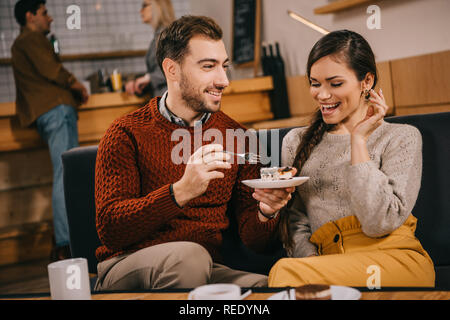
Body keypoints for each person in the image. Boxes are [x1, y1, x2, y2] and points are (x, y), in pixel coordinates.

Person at [94, 15, 294, 291]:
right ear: (171, 69)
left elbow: (255, 242)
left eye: (224, 66)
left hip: (205, 268)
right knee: (190, 258)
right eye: (208, 66)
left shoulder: (240, 138)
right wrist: (180, 192)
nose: (223, 80)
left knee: (266, 289)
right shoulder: (125, 132)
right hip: (127, 265)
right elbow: (111, 230)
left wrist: (266, 212)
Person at [268, 30, 435, 288]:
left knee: (284, 274)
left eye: (335, 84)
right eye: (315, 83)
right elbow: (296, 219)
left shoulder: (402, 137)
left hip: (394, 261)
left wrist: (359, 141)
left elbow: (379, 222)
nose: (322, 95)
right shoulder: (295, 141)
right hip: (328, 264)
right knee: (290, 273)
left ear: (366, 81)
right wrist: (312, 266)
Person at [11, 0, 89, 261]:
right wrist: (76, 84)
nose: (50, 19)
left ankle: (66, 240)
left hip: (50, 113)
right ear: (30, 16)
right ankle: (67, 242)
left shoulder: (24, 43)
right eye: (45, 13)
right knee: (65, 173)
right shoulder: (29, 40)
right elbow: (52, 70)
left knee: (63, 172)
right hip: (56, 111)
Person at [125, 0, 175, 97]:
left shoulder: (167, 35)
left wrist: (148, 78)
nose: (140, 11)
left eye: (144, 6)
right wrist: (142, 80)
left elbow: (173, 68)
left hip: (168, 98)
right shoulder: (160, 35)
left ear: (158, 7)